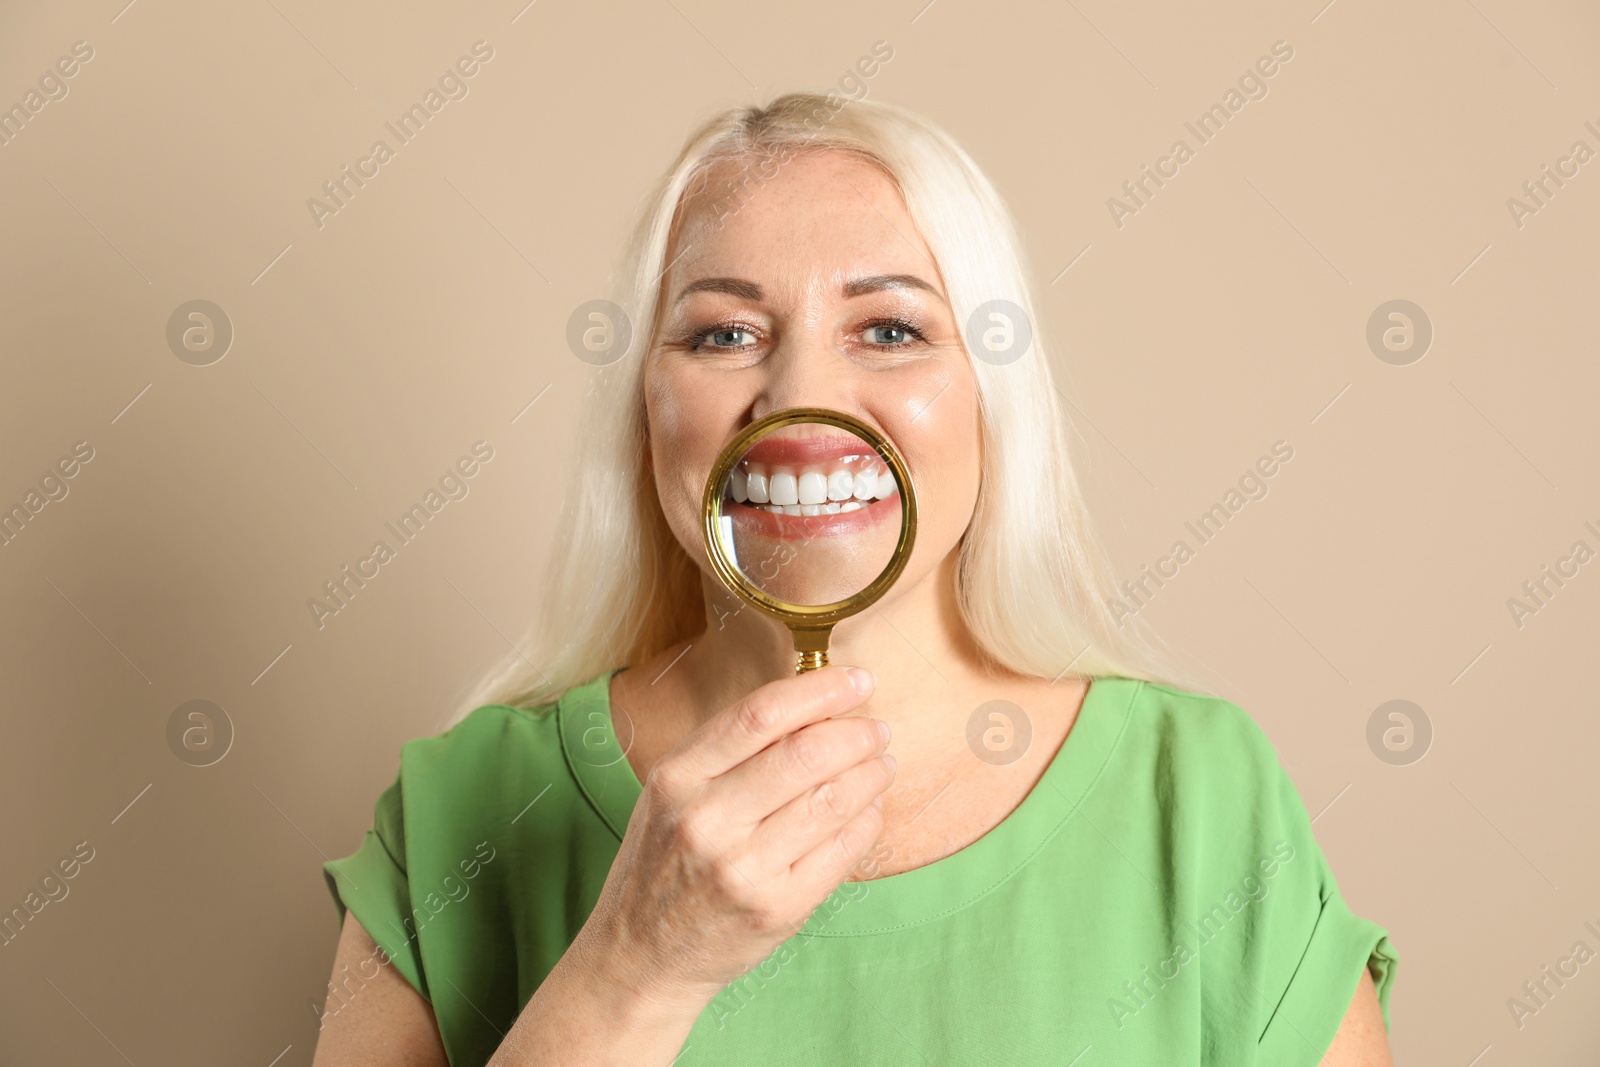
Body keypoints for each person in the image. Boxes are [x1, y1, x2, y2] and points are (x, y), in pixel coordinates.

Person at [311, 92, 1397, 1066]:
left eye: (889, 328)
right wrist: (631, 969)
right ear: (646, 408)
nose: (798, 394)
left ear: (991, 395)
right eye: (724, 332)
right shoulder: (461, 812)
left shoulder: (1201, 798)